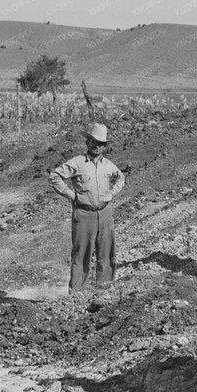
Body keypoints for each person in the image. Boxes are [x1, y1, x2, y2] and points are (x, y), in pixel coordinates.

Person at [49, 122, 125, 291]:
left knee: (107, 252)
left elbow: (121, 178)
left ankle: (105, 289)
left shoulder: (108, 165)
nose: (97, 146)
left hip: (105, 213)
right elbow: (54, 177)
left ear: (105, 146)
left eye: (101, 143)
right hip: (84, 214)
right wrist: (71, 195)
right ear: (87, 142)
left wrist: (111, 194)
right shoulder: (77, 163)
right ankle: (77, 294)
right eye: (94, 142)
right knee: (81, 254)